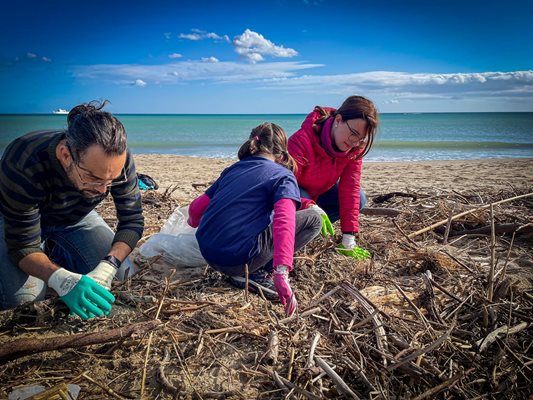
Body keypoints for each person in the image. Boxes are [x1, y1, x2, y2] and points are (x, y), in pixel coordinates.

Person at [0, 101, 144, 320]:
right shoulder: (23, 160)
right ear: (66, 155)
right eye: (94, 178)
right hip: (14, 219)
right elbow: (22, 246)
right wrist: (61, 279)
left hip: (75, 217)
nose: (103, 190)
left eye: (111, 181)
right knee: (25, 302)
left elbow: (132, 221)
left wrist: (108, 265)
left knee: (123, 274)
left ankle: (56, 252)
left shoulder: (116, 159)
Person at [187, 122, 322, 316]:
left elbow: (196, 209)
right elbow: (285, 220)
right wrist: (281, 271)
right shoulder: (283, 176)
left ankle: (247, 270)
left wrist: (195, 223)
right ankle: (256, 273)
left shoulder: (232, 169)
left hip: (208, 253)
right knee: (313, 219)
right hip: (239, 259)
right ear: (281, 154)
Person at [288, 95, 379, 259]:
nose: (354, 142)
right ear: (338, 120)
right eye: (353, 133)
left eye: (360, 138)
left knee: (360, 197)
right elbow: (284, 188)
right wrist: (308, 206)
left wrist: (349, 236)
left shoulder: (354, 148)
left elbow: (350, 189)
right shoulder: (301, 140)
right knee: (303, 197)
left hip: (321, 194)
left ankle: (314, 228)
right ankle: (299, 229)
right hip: (296, 196)